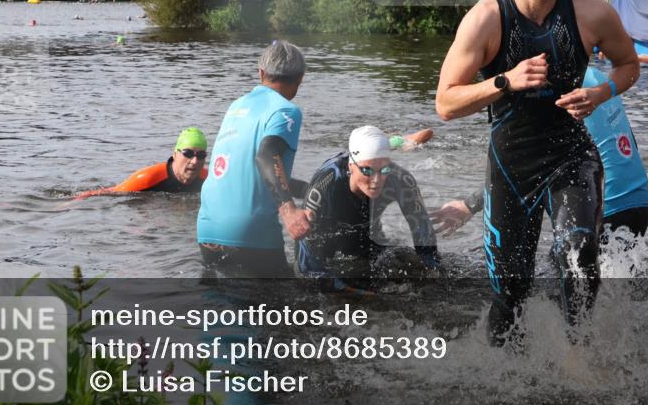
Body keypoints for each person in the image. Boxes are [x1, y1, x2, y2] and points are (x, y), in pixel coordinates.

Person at [434, 0, 639, 344]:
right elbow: (446, 103)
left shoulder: (591, 14)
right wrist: (505, 82)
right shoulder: (487, 18)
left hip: (571, 155)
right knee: (511, 291)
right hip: (512, 167)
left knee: (579, 254)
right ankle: (501, 381)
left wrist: (601, 94)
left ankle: (577, 358)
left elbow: (629, 64)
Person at [432, 67, 648, 246]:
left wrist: (469, 205)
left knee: (561, 291)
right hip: (640, 200)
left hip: (605, 206)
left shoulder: (557, 85)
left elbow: (531, 163)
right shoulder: (598, 77)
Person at [197, 41, 312, 278]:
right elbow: (267, 156)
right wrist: (290, 211)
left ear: (261, 73)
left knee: (224, 309)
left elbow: (253, 171)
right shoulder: (286, 110)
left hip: (207, 231)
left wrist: (306, 190)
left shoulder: (236, 106)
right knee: (286, 312)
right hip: (250, 235)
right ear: (299, 79)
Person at [296, 126, 441, 290]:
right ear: (351, 166)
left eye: (384, 169)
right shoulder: (327, 182)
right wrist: (346, 290)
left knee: (406, 266)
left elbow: (423, 232)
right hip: (329, 245)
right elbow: (306, 265)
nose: (377, 180)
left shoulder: (399, 179)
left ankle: (403, 140)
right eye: (367, 170)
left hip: (368, 239)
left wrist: (434, 273)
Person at [75, 128, 209, 199]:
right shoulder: (148, 177)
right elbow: (110, 193)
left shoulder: (210, 179)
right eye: (188, 153)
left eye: (201, 155)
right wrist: (71, 202)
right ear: (175, 154)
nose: (195, 161)